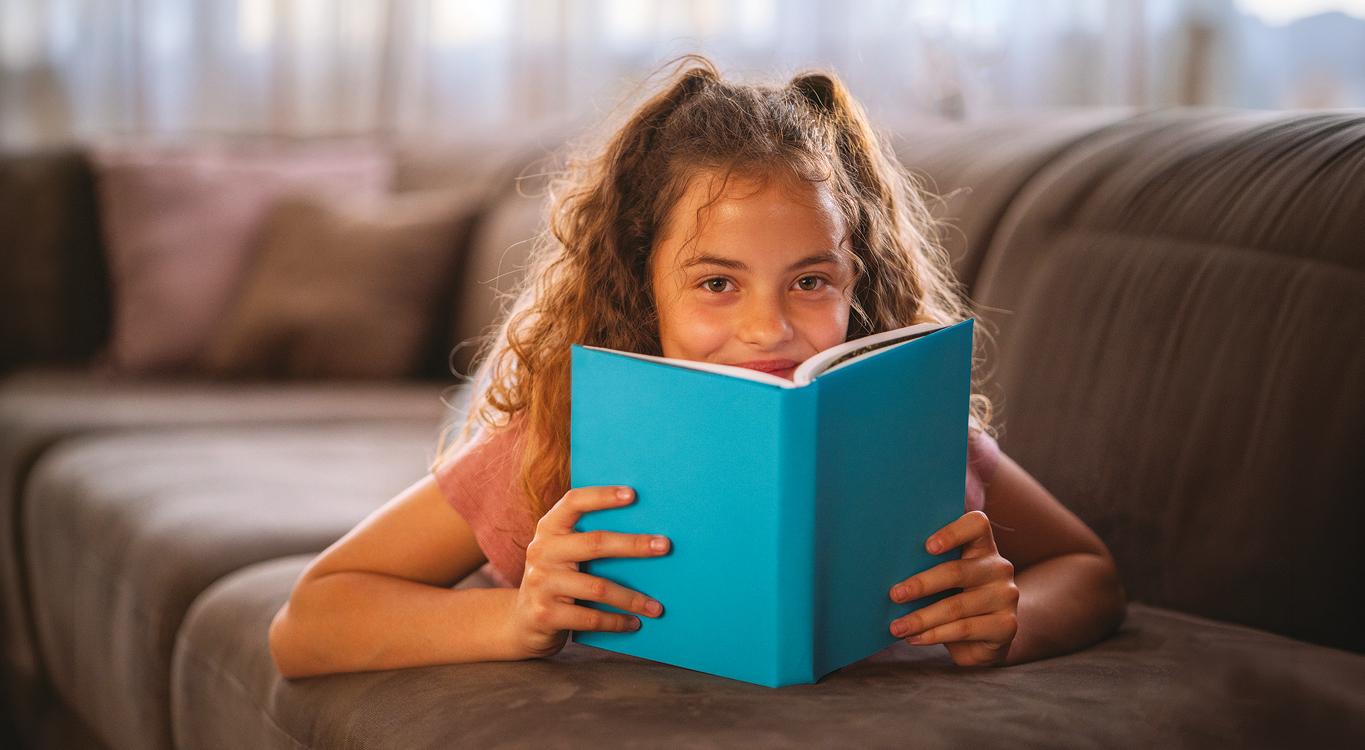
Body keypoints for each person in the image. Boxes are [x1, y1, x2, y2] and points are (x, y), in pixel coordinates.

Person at [268, 58, 1126, 679]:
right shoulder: (551, 445)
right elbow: (307, 623)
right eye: (716, 282)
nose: (769, 328)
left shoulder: (920, 436)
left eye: (810, 281)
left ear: (855, 283)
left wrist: (1011, 623)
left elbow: (1085, 572)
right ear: (643, 290)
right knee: (481, 410)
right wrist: (514, 616)